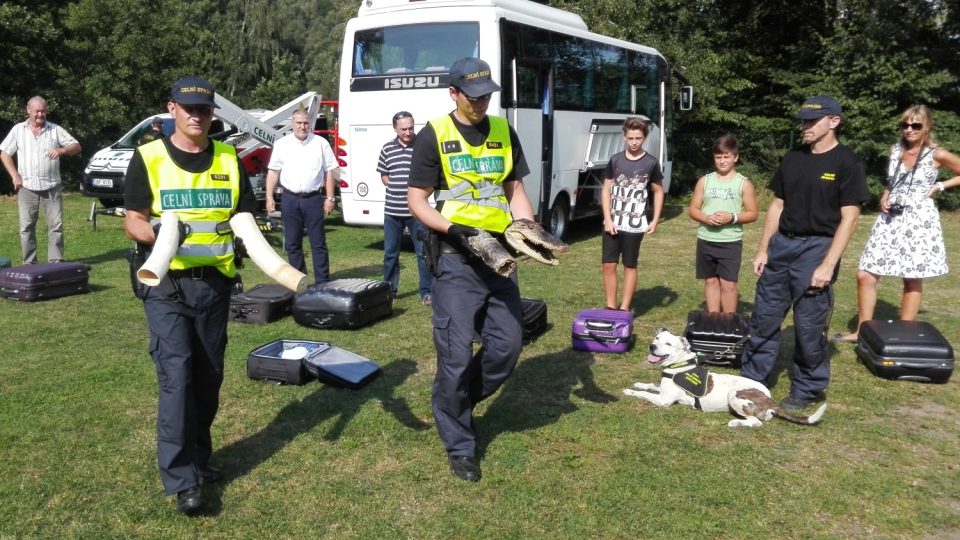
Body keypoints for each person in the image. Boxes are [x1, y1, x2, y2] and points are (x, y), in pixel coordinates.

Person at [124, 76, 258, 514]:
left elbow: (245, 212)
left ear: (213, 112)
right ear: (172, 109)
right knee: (177, 377)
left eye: (204, 108)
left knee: (208, 376)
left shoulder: (228, 157)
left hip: (215, 284)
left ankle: (201, 455)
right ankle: (183, 479)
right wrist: (158, 233)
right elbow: (134, 221)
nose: (196, 115)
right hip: (166, 284)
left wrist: (249, 237)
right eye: (188, 108)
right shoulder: (148, 157)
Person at [407, 57, 535, 483]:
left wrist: (525, 228)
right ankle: (460, 443)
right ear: (453, 93)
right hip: (456, 256)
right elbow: (417, 200)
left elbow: (514, 189)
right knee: (456, 355)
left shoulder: (502, 131)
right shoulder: (434, 134)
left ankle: (453, 402)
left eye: (486, 96)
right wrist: (454, 229)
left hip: (498, 257)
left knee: (507, 346)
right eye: (473, 96)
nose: (481, 104)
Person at [739, 95, 869, 411]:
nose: (805, 127)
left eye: (812, 121)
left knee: (809, 326)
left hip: (817, 248)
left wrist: (827, 264)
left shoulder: (847, 162)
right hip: (782, 244)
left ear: (834, 121)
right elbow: (777, 205)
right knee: (765, 316)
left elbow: (850, 217)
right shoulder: (793, 158)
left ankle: (807, 389)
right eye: (803, 121)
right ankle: (754, 379)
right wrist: (763, 249)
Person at [832, 105, 960, 343]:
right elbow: (893, 182)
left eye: (916, 125)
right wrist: (884, 195)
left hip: (919, 221)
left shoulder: (937, 154)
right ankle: (862, 331)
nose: (909, 130)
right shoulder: (894, 150)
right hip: (890, 219)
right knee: (866, 274)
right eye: (905, 125)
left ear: (927, 127)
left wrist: (940, 186)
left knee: (912, 277)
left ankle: (905, 335)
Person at [1, 96, 81, 264]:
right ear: (28, 110)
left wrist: (62, 150)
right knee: (26, 227)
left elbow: (76, 146)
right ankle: (29, 263)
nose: (40, 114)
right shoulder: (18, 130)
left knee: (56, 226)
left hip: (51, 186)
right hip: (27, 187)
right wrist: (15, 175)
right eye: (37, 111)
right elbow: (5, 153)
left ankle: (56, 262)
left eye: (43, 110)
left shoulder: (55, 130)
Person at [265, 109, 338, 284]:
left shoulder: (320, 143)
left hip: (313, 199)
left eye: (305, 123)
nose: (302, 127)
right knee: (292, 244)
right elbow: (273, 172)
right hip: (290, 199)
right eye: (299, 123)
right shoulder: (282, 144)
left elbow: (330, 172)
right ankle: (299, 282)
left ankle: (322, 283)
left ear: (309, 124)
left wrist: (330, 197)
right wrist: (269, 197)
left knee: (318, 244)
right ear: (292, 124)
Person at [687, 134, 758, 313]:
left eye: (726, 156)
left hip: (730, 241)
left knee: (728, 284)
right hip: (706, 238)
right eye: (718, 157)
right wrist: (705, 218)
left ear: (735, 157)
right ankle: (713, 321)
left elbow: (753, 213)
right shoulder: (705, 180)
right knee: (710, 280)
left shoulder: (744, 183)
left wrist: (731, 217)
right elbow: (693, 209)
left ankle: (728, 322)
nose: (722, 161)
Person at [600, 116, 664, 311]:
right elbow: (606, 189)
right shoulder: (615, 160)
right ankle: (611, 307)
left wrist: (654, 220)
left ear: (644, 137)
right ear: (624, 137)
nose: (634, 142)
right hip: (613, 222)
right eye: (630, 138)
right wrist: (608, 219)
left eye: (638, 138)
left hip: (635, 224)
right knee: (608, 265)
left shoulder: (651, 163)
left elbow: (658, 191)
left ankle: (624, 308)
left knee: (629, 265)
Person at [378, 111, 432, 305]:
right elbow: (383, 173)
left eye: (411, 128)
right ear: (395, 128)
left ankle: (427, 292)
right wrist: (392, 184)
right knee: (390, 253)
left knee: (423, 252)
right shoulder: (387, 148)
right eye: (404, 129)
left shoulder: (423, 146)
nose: (408, 132)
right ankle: (389, 291)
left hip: (417, 211)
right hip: (392, 211)